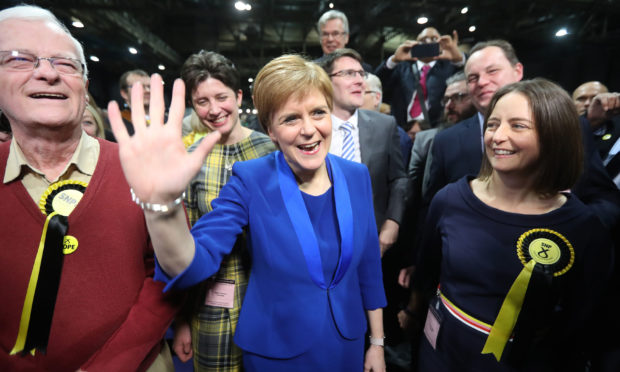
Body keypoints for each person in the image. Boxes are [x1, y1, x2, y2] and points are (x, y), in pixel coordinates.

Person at [107, 55, 387, 371]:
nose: (309, 129)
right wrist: (162, 207)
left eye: (318, 112)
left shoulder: (356, 175)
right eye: (291, 119)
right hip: (277, 349)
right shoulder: (251, 178)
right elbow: (197, 259)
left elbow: (368, 267)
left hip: (345, 342)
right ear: (271, 130)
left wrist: (377, 343)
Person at [0, 5, 180, 371]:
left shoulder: (138, 167)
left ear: (84, 84)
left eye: (65, 63)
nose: (47, 73)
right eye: (20, 59)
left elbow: (168, 276)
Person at [410, 79, 613, 371]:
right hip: (440, 353)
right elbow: (426, 271)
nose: (497, 136)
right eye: (492, 124)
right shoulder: (450, 198)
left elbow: (581, 319)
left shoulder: (584, 229)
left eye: (518, 126)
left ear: (554, 136)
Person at [171, 50, 275, 372]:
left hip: (270, 295)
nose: (214, 110)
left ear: (239, 95)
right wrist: (182, 321)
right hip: (210, 303)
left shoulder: (270, 150)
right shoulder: (189, 159)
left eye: (222, 97)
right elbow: (181, 245)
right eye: (202, 101)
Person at [375, 27, 464, 127]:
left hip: (437, 129)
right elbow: (377, 84)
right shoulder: (402, 67)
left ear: (441, 45)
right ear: (415, 44)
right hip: (402, 130)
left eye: (434, 39)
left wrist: (458, 59)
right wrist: (393, 60)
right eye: (423, 40)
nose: (428, 42)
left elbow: (468, 79)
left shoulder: (451, 66)